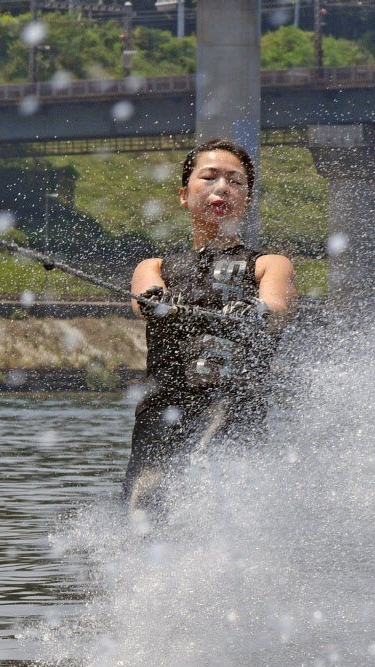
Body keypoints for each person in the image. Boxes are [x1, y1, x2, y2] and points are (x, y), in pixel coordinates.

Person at [123, 137, 296, 508]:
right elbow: (143, 301)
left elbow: (277, 305)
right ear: (184, 194)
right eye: (211, 177)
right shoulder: (154, 267)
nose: (223, 188)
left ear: (246, 200)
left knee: (205, 484)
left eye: (235, 182)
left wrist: (257, 312)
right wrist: (158, 303)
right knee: (141, 512)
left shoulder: (269, 264)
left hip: (235, 408)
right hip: (162, 412)